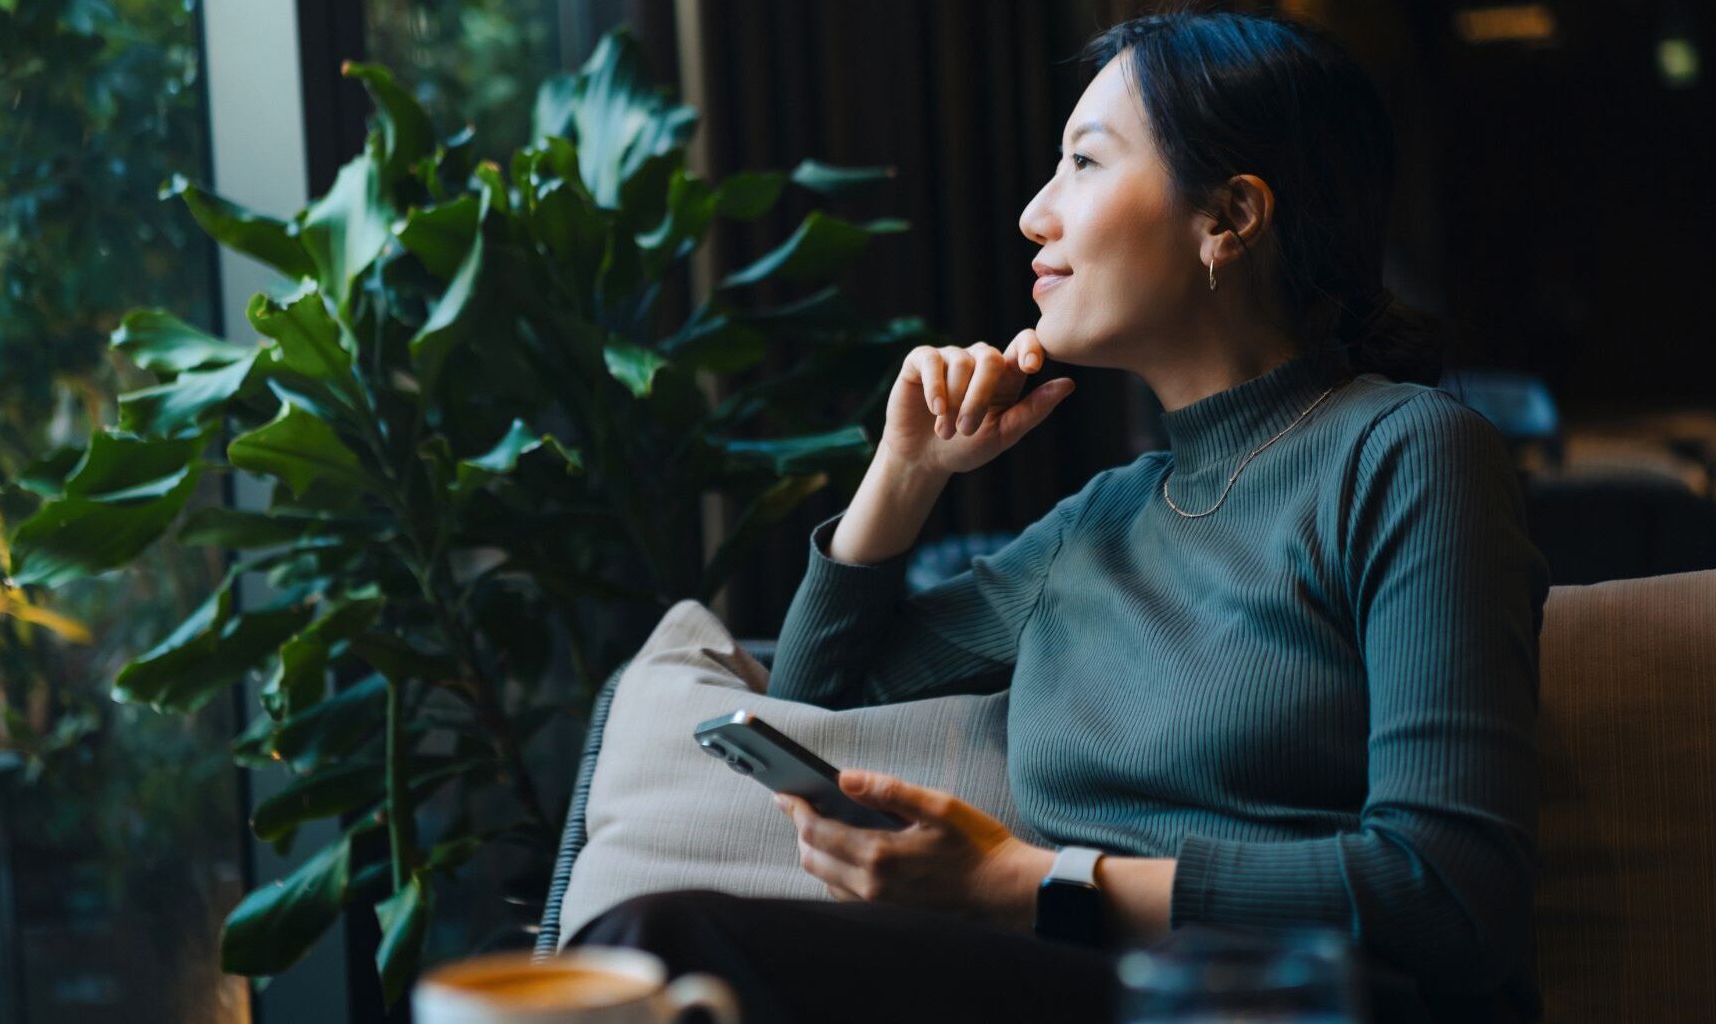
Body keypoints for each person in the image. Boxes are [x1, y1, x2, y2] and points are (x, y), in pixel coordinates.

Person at [574, 8, 1550, 1023]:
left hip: (1295, 1002)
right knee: (645, 958)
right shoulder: (1100, 523)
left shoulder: (1408, 451)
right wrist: (906, 469)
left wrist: (1024, 882)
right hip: (1080, 989)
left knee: (656, 948)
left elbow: (1450, 897)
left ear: (1230, 216)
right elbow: (821, 694)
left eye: (1083, 164)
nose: (1036, 214)